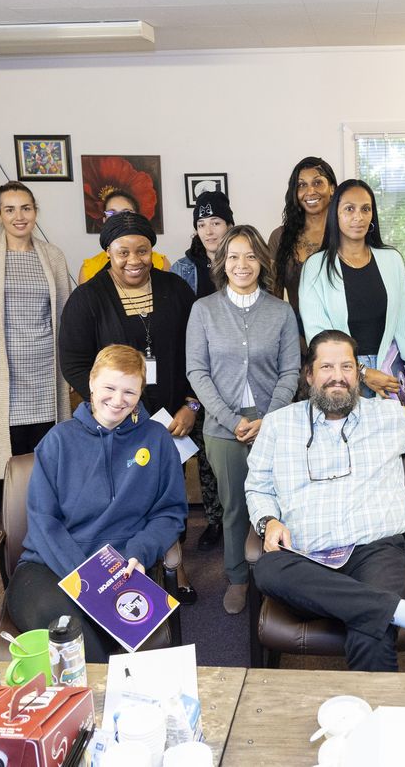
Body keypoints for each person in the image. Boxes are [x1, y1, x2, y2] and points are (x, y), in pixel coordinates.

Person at [245, 330, 405, 672]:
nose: (338, 377)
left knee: (369, 632)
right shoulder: (278, 424)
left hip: (376, 550)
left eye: (347, 367)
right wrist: (267, 520)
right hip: (306, 555)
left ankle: (373, 721)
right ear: (309, 375)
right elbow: (257, 486)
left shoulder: (389, 417)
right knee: (268, 569)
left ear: (358, 372)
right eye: (327, 367)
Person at [7, 345, 188, 662]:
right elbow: (44, 521)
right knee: (67, 631)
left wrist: (139, 551)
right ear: (91, 383)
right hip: (50, 567)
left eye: (129, 391)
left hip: (122, 570)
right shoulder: (58, 441)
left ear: (140, 392)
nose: (118, 400)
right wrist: (86, 580)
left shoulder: (157, 440)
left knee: (85, 640)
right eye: (109, 387)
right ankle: (105, 699)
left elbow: (170, 512)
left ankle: (93, 700)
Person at [58, 210, 200, 602]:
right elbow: (73, 362)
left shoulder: (175, 290)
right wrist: (112, 406)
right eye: (123, 252)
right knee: (124, 493)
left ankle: (176, 561)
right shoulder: (87, 298)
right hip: (116, 418)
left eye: (142, 250)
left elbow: (198, 353)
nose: (133, 260)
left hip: (174, 417)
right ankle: (120, 566)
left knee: (167, 492)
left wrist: (192, 404)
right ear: (107, 253)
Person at [185, 226, 300, 614]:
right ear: (222, 262)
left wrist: (267, 418)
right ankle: (237, 577)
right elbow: (197, 372)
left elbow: (291, 371)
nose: (242, 264)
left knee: (279, 504)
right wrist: (231, 419)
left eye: (251, 256)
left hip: (275, 423)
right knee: (235, 505)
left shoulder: (281, 312)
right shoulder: (204, 310)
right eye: (233, 256)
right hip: (223, 426)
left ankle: (279, 577)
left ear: (262, 262)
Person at [0, 181, 73, 483]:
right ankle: (17, 524)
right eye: (10, 209)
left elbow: (66, 317)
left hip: (45, 371)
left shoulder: (53, 256)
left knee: (48, 455)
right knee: (11, 458)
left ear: (35, 212)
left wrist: (69, 371)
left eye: (26, 208)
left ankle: (48, 523)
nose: (19, 216)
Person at [299, 178, 405, 409]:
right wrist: (362, 372)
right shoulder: (315, 267)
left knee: (390, 445)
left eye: (365, 209)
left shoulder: (391, 260)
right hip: (338, 377)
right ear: (335, 215)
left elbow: (404, 319)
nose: (358, 217)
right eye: (349, 209)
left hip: (388, 373)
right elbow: (319, 337)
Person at [171, 190, 235, 550]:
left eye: (216, 222)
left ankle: (234, 520)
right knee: (198, 454)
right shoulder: (183, 270)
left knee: (224, 456)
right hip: (195, 376)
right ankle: (212, 521)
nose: (209, 230)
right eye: (202, 223)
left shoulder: (243, 262)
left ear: (228, 224)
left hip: (234, 375)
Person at [268, 156, 337, 318]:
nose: (310, 191)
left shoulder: (346, 234)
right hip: (297, 336)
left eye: (317, 182)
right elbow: (273, 298)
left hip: (344, 335)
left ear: (332, 188)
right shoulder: (280, 237)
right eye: (302, 185)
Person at [77, 190, 170, 285]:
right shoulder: (89, 268)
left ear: (137, 218)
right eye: (112, 214)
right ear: (104, 220)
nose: (120, 219)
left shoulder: (160, 262)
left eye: (127, 213)